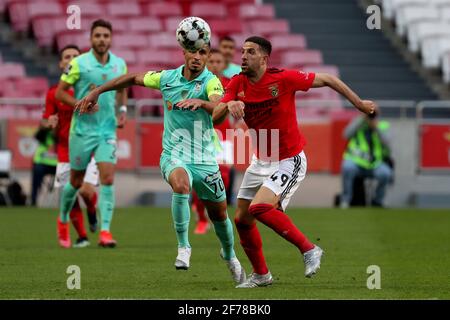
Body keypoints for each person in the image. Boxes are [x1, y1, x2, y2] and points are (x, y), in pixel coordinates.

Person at [75, 43, 246, 285]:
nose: (197, 57)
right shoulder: (166, 78)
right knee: (181, 185)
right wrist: (97, 92)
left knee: (219, 216)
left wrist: (203, 103)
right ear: (184, 53)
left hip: (205, 159)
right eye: (193, 52)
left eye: (202, 53)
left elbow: (219, 110)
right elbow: (132, 78)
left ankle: (230, 256)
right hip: (173, 154)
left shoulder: (212, 82)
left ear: (207, 56)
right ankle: (184, 246)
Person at [213, 36, 376, 288]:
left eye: (251, 52)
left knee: (259, 208)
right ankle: (261, 275)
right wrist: (229, 104)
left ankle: (309, 249)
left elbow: (329, 79)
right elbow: (215, 116)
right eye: (243, 51)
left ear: (264, 58)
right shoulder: (237, 82)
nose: (243, 56)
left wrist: (359, 104)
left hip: (289, 159)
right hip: (260, 160)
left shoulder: (284, 78)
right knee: (242, 220)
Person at [55, 19, 128, 248]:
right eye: (98, 35)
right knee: (76, 182)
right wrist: (81, 101)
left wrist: (123, 109)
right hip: (82, 131)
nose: (102, 40)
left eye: (106, 35)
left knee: (107, 178)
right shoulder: (78, 63)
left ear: (111, 38)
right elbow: (59, 93)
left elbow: (123, 88)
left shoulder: (119, 64)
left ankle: (105, 231)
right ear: (91, 39)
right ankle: (63, 219)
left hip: (107, 130)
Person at [42, 44, 99, 248]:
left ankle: (92, 212)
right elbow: (46, 120)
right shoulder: (53, 93)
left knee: (85, 191)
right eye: (67, 57)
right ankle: (82, 236)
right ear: (61, 63)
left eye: (76, 56)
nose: (71, 59)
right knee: (70, 195)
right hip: (65, 150)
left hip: (88, 146)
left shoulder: (89, 88)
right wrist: (49, 124)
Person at [191, 49, 235, 234]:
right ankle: (202, 219)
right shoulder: (198, 83)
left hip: (224, 136)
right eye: (212, 61)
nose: (215, 65)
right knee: (200, 180)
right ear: (206, 63)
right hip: (202, 136)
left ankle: (217, 215)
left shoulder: (230, 84)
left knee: (223, 178)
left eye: (219, 61)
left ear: (224, 64)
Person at [340, 112, 393, 208]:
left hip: (375, 164)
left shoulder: (382, 125)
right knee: (347, 167)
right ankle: (345, 200)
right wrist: (361, 119)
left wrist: (376, 128)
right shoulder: (358, 122)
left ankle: (377, 201)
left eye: (373, 113)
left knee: (386, 173)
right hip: (357, 162)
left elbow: (387, 143)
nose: (370, 116)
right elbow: (345, 134)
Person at [31, 126, 57, 206]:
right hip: (42, 163)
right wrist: (45, 127)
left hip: (57, 164)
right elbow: (37, 136)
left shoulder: (61, 134)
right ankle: (33, 200)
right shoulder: (44, 133)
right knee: (37, 171)